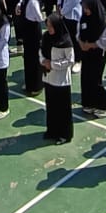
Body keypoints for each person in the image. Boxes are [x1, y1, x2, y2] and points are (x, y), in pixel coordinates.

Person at [77, 0, 106, 116]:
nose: (85, 10)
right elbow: (78, 33)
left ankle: (105, 106)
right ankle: (89, 103)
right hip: (86, 53)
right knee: (85, 78)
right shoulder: (83, 18)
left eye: (87, 8)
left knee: (95, 80)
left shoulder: (103, 21)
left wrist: (91, 45)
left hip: (98, 55)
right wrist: (81, 43)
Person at [41, 11, 75, 143]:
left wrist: (53, 64)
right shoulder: (46, 37)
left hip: (61, 80)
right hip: (48, 77)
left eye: (51, 26)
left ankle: (64, 134)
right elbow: (41, 51)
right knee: (51, 106)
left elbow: (70, 60)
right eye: (47, 26)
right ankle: (52, 131)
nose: (48, 29)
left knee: (62, 109)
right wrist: (43, 61)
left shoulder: (65, 41)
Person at [18, 0, 45, 96]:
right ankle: (30, 83)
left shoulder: (32, 0)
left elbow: (39, 17)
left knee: (33, 59)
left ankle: (35, 85)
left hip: (32, 32)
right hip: (29, 31)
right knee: (29, 58)